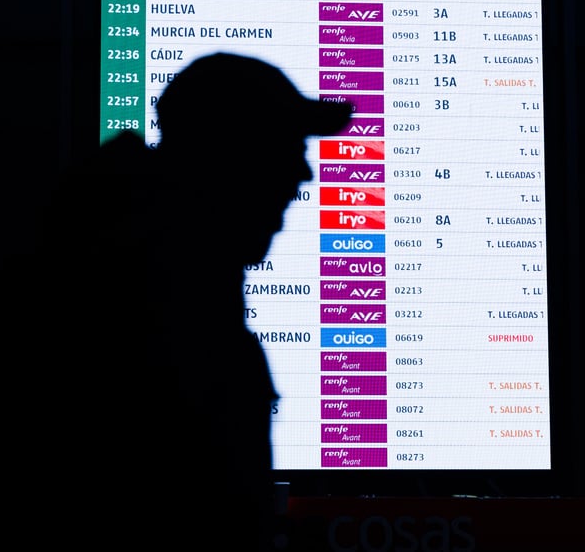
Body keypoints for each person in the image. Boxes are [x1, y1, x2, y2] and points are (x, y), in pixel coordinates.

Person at [30, 52, 354, 550]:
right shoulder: (148, 325)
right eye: (286, 148)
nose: (302, 174)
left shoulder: (151, 289)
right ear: (230, 160)